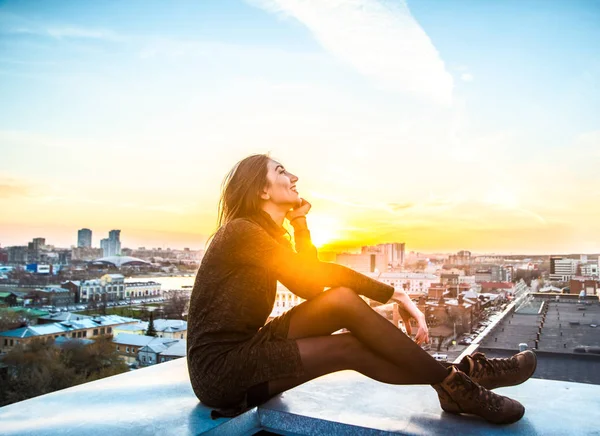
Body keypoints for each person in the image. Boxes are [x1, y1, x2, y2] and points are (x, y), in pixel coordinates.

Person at [187, 154, 537, 424]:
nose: (294, 177)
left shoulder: (261, 235)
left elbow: (308, 285)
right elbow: (313, 273)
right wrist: (394, 294)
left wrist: (300, 222)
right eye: (281, 171)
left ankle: (460, 379)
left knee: (339, 300)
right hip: (221, 371)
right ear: (261, 189)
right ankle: (462, 386)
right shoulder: (242, 232)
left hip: (248, 347)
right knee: (349, 347)